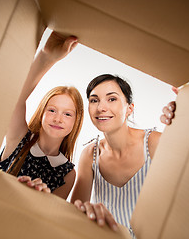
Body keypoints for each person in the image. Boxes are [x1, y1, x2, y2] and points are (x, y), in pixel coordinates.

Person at [70, 74, 176, 234]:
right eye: (94, 100)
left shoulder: (154, 143)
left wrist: (183, 119)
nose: (100, 108)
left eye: (111, 99)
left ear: (129, 108)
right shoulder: (90, 155)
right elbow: (74, 218)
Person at [0, 31, 83, 200]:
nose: (58, 118)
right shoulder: (19, 138)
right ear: (42, 112)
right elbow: (15, 98)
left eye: (67, 114)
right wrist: (46, 56)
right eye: (52, 110)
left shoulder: (68, 174)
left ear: (76, 122)